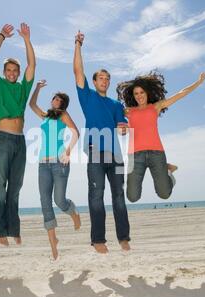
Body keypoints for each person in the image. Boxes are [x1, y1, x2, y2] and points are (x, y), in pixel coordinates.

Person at [73, 31, 130, 254]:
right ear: (94, 81)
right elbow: (78, 71)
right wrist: (78, 44)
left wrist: (124, 129)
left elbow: (122, 126)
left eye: (107, 79)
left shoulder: (116, 105)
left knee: (118, 197)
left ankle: (123, 237)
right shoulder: (87, 96)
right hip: (95, 151)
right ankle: (98, 240)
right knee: (96, 197)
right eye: (101, 78)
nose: (104, 81)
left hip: (115, 154)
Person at [116, 71, 205, 203]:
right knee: (132, 197)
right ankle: (166, 168)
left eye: (142, 92)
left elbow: (181, 94)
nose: (139, 96)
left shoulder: (156, 107)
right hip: (135, 156)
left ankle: (168, 171)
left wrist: (198, 82)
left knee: (164, 194)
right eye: (136, 93)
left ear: (147, 93)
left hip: (156, 154)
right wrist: (121, 130)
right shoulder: (128, 111)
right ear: (133, 95)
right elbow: (117, 124)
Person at [0, 23, 36, 246]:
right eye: (8, 70)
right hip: (2, 139)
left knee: (15, 187)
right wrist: (1, 37)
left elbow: (32, 65)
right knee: (0, 186)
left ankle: (14, 229)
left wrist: (26, 39)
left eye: (15, 71)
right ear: (4, 72)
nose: (12, 73)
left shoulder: (23, 88)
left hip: (20, 141)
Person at [29, 79, 81, 260]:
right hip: (43, 164)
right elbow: (32, 104)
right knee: (45, 202)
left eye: (60, 100)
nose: (56, 101)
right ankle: (53, 242)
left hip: (60, 162)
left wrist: (68, 151)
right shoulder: (45, 116)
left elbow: (76, 132)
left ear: (63, 104)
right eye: (55, 99)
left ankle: (73, 212)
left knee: (59, 200)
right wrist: (36, 88)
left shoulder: (63, 115)